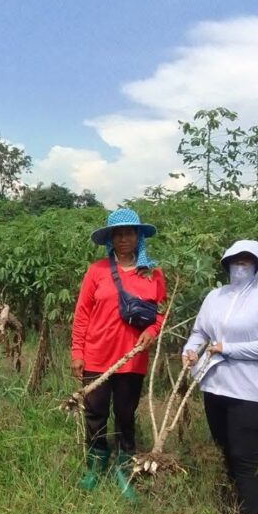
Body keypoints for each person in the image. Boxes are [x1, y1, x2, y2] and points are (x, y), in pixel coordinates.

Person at [182, 240, 258, 514]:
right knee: (227, 450)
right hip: (214, 387)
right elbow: (200, 332)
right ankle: (234, 506)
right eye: (235, 261)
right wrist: (190, 350)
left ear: (257, 265)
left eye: (246, 261)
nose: (240, 267)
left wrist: (230, 349)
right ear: (226, 263)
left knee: (246, 459)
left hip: (250, 392)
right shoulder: (214, 297)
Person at [71, 207, 166, 499]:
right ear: (111, 239)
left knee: (125, 413)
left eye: (129, 233)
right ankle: (95, 466)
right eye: (118, 234)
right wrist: (77, 351)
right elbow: (82, 313)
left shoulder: (153, 274)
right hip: (97, 355)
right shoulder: (97, 271)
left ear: (138, 237)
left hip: (132, 358)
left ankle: (124, 467)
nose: (124, 239)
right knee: (95, 412)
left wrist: (153, 330)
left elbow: (161, 312)